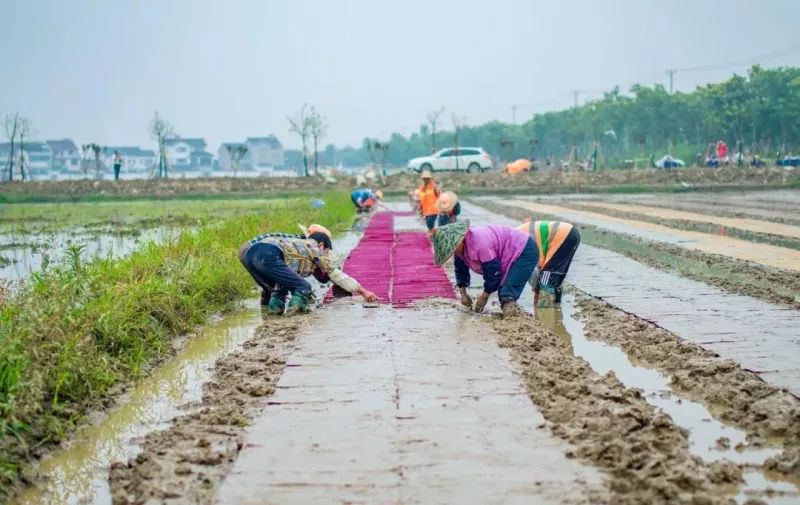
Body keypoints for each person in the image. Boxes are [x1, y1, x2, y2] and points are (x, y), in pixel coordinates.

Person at [238, 224, 378, 315]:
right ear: (322, 245)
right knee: (303, 286)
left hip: (250, 254)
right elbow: (337, 275)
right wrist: (363, 292)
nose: (327, 254)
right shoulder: (314, 247)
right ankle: (294, 316)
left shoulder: (297, 247)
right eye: (327, 251)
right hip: (268, 253)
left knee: (281, 287)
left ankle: (272, 315)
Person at [432, 219, 538, 317]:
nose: (453, 251)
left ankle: (514, 320)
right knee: (503, 292)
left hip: (524, 250)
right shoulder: (459, 251)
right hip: (506, 254)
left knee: (507, 294)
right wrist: (463, 294)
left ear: (460, 239)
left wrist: (484, 296)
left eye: (453, 247)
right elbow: (461, 270)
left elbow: (493, 272)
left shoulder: (480, 243)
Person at [516, 218, 581, 304]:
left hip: (561, 235)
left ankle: (545, 310)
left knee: (548, 275)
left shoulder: (514, 243)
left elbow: (532, 269)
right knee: (556, 276)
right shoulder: (514, 236)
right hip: (571, 233)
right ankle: (555, 305)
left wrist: (537, 289)